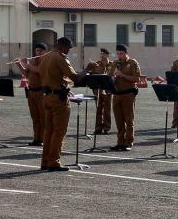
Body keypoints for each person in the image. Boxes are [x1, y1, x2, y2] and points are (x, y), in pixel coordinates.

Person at [39, 37, 83, 171]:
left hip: (47, 97)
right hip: (58, 99)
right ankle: (54, 161)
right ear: (63, 47)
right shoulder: (60, 58)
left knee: (48, 130)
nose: (68, 51)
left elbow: (48, 75)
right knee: (59, 131)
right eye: (68, 48)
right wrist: (88, 69)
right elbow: (75, 77)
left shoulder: (46, 57)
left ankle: (45, 161)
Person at [110, 44, 141, 151]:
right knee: (118, 120)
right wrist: (113, 77)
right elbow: (109, 77)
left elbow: (137, 79)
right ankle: (120, 142)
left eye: (121, 54)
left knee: (129, 119)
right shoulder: (115, 63)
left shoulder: (132, 63)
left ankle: (128, 142)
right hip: (117, 94)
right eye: (118, 54)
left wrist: (123, 75)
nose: (119, 56)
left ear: (126, 53)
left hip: (128, 94)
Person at [17, 43, 48, 146]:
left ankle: (43, 138)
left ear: (45, 52)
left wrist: (27, 64)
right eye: (37, 50)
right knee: (34, 117)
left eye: (40, 51)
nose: (38, 53)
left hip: (41, 91)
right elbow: (26, 74)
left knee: (43, 117)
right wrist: (19, 64)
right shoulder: (33, 61)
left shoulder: (45, 61)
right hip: (31, 91)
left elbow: (39, 71)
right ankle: (36, 138)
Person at [86, 48, 113, 135]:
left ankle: (106, 128)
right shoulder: (96, 64)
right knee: (98, 109)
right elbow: (92, 76)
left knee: (107, 109)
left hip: (108, 89)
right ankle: (98, 128)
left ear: (107, 55)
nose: (101, 55)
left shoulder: (112, 64)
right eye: (101, 54)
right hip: (98, 90)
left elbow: (114, 76)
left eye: (103, 54)